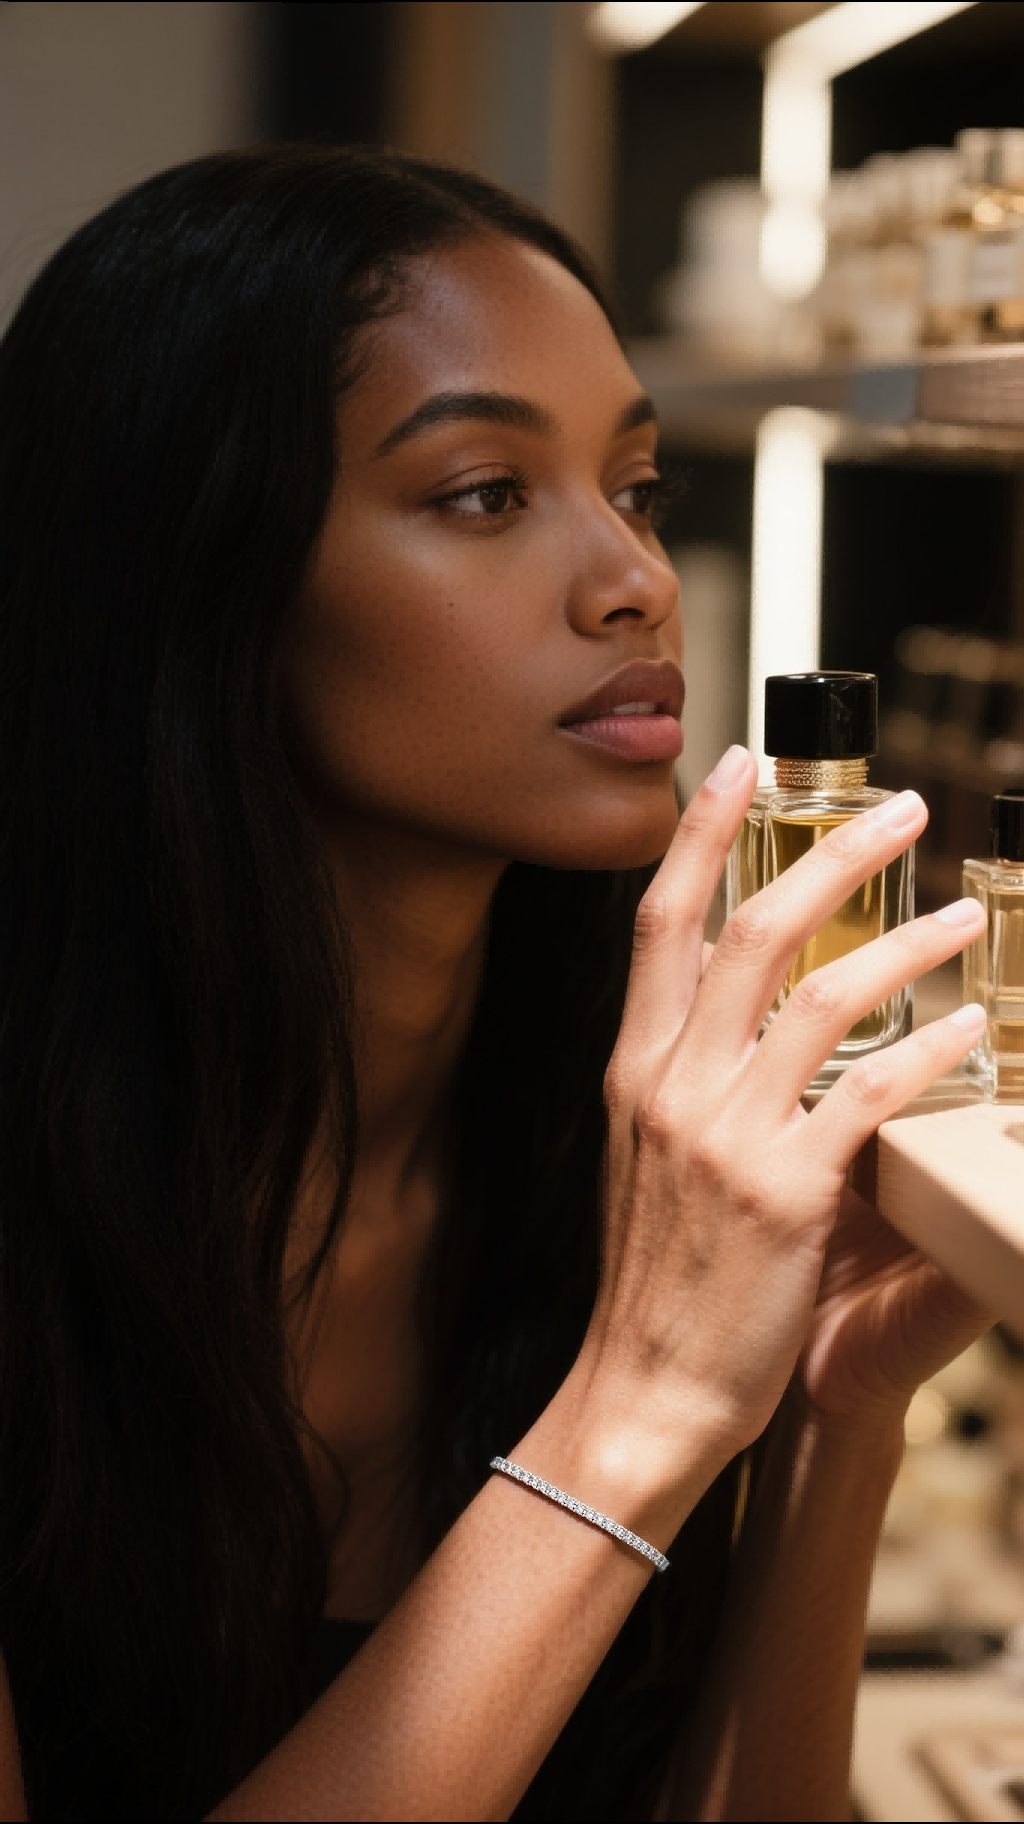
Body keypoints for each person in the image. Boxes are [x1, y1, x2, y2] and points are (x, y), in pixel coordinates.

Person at [0, 143, 993, 1823]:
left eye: (638, 485)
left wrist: (830, 1413)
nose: (636, 580)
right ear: (199, 583)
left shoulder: (609, 1155)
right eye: (484, 493)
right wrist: (641, 1411)